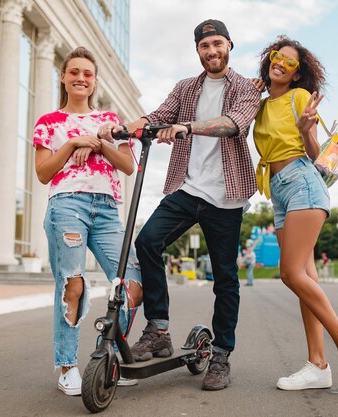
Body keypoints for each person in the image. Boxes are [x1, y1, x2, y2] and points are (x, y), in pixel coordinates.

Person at [102, 19, 261, 391]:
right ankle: (158, 329)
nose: (212, 51)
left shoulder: (245, 90)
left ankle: (221, 354)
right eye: (205, 46)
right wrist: (124, 126)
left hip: (227, 196)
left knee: (225, 278)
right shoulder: (185, 87)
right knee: (147, 241)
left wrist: (187, 127)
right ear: (198, 51)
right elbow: (158, 116)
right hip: (187, 188)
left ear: (229, 46)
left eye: (218, 44)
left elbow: (233, 124)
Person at [252, 36, 338, 394]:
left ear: (297, 72)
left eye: (290, 63)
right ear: (268, 60)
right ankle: (317, 364)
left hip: (302, 181)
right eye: (277, 57)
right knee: (305, 277)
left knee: (290, 272)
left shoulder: (299, 98)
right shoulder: (258, 105)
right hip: (280, 193)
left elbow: (318, 157)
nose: (281, 64)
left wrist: (306, 131)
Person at [33, 46, 143, 395]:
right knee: (73, 286)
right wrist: (71, 144)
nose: (81, 78)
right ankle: (67, 367)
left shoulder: (109, 123)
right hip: (67, 205)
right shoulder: (49, 123)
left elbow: (127, 166)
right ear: (63, 77)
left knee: (132, 285)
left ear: (94, 81)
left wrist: (97, 143)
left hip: (108, 208)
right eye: (74, 72)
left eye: (88, 74)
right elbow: (43, 172)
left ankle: (104, 357)